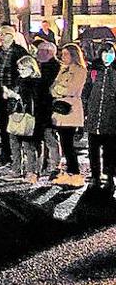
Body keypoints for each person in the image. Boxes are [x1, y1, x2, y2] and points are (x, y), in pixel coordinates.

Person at [0, 24, 29, 165]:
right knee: (2, 124)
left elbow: (25, 72)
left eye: (4, 34)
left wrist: (16, 89)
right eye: (0, 33)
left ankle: (16, 154)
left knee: (13, 125)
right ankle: (6, 153)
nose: (0, 36)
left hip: (12, 93)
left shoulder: (19, 51)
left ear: (11, 35)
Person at [49, 44, 86, 187]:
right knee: (64, 143)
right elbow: (53, 88)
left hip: (70, 109)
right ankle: (70, 171)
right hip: (60, 109)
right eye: (62, 54)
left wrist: (59, 89)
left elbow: (71, 89)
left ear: (73, 55)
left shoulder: (79, 70)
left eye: (66, 54)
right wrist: (59, 89)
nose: (63, 57)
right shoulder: (63, 69)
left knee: (68, 143)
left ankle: (75, 173)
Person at [4, 54, 42, 182]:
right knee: (14, 144)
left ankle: (31, 172)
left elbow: (32, 99)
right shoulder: (19, 80)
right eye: (19, 69)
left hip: (28, 116)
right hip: (16, 115)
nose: (20, 71)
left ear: (31, 68)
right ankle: (16, 170)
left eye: (23, 69)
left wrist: (15, 95)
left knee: (28, 146)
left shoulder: (35, 82)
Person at [83, 42, 116, 190]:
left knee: (110, 151)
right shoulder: (94, 70)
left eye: (111, 53)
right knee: (93, 150)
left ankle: (110, 177)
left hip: (111, 117)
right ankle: (95, 176)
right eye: (105, 53)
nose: (108, 56)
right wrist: (85, 108)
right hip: (94, 116)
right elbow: (87, 90)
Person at [34, 42, 61, 176]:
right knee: (44, 136)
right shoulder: (44, 65)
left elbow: (46, 86)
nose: (37, 53)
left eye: (40, 51)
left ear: (48, 52)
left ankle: (54, 165)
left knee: (49, 136)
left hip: (47, 106)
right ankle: (44, 164)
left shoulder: (53, 67)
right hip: (42, 106)